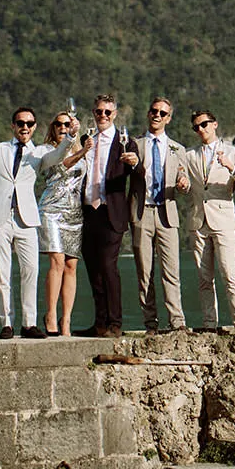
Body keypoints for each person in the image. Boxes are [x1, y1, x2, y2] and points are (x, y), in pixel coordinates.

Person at [0, 106, 56, 339]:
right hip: (0, 217)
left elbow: (57, 157)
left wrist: (70, 139)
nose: (24, 127)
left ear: (35, 127)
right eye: (20, 123)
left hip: (26, 219)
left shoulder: (39, 153)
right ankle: (6, 323)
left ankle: (29, 324)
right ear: (13, 126)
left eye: (29, 123)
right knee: (2, 273)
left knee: (31, 270)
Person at [185, 109, 235, 333]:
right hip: (197, 221)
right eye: (196, 126)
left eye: (204, 124)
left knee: (229, 272)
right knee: (204, 278)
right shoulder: (189, 155)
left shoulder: (233, 153)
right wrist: (182, 183)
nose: (200, 129)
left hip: (223, 219)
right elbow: (183, 183)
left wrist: (231, 167)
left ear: (215, 124)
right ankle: (209, 325)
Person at [127, 97, 191, 333]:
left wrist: (184, 184)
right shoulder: (134, 144)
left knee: (171, 271)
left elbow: (184, 179)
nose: (157, 115)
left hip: (168, 215)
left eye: (162, 113)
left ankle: (177, 320)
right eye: (154, 111)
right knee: (145, 272)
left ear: (169, 118)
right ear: (148, 113)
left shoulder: (177, 148)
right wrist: (131, 164)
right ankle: (150, 322)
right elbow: (125, 171)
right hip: (141, 212)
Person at [79, 94, 132, 338]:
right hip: (88, 211)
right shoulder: (86, 141)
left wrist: (134, 162)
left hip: (112, 211)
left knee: (109, 267)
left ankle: (115, 323)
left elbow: (136, 169)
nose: (102, 116)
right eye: (99, 111)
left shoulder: (125, 142)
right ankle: (99, 322)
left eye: (107, 112)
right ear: (93, 112)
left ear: (115, 114)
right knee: (93, 268)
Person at [36, 110, 87, 336]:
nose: (63, 127)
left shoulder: (82, 151)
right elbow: (61, 165)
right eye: (58, 124)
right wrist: (83, 149)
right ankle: (50, 315)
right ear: (52, 128)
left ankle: (66, 320)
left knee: (71, 266)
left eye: (67, 124)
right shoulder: (46, 151)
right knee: (56, 262)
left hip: (75, 213)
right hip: (52, 210)